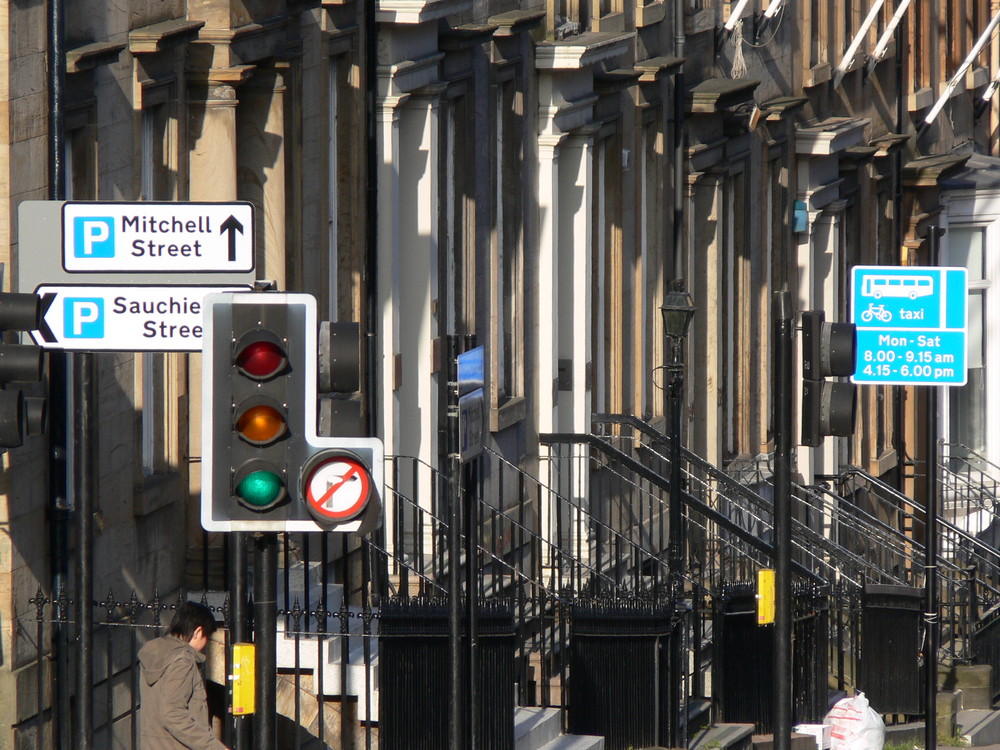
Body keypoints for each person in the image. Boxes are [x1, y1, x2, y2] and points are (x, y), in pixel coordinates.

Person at [138, 601, 230, 750]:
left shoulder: (156, 653)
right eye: (207, 638)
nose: (205, 645)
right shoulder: (183, 661)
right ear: (198, 632)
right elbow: (173, 714)